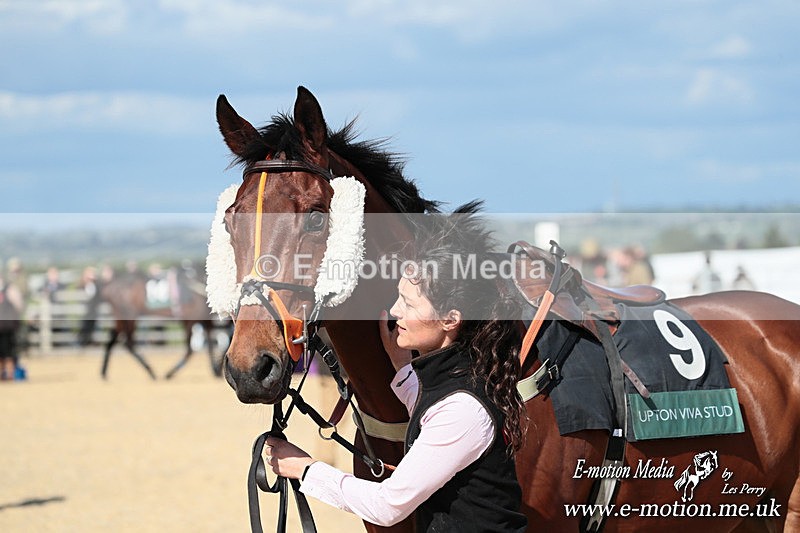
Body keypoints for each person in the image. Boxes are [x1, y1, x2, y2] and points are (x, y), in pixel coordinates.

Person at [264, 208, 528, 532]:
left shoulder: (463, 409)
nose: (395, 310)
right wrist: (402, 368)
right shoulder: (461, 380)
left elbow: (387, 506)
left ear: (450, 320)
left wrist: (304, 469)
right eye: (399, 297)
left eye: (409, 303)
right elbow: (435, 410)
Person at [0, 274, 24, 381]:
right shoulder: (10, 288)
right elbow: (19, 305)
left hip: (8, 326)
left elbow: (19, 305)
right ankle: (5, 374)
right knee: (7, 352)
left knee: (9, 351)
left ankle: (10, 374)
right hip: (7, 325)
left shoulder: (10, 289)